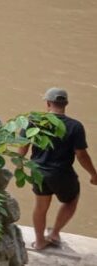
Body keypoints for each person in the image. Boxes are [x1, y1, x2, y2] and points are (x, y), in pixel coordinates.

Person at [19, 88, 97, 250]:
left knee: (40, 206)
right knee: (71, 200)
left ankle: (39, 241)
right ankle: (54, 233)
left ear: (47, 103)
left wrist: (20, 168)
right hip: (62, 173)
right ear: (66, 104)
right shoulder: (75, 126)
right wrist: (93, 174)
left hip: (38, 171)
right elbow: (81, 155)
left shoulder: (33, 121)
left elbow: (22, 148)